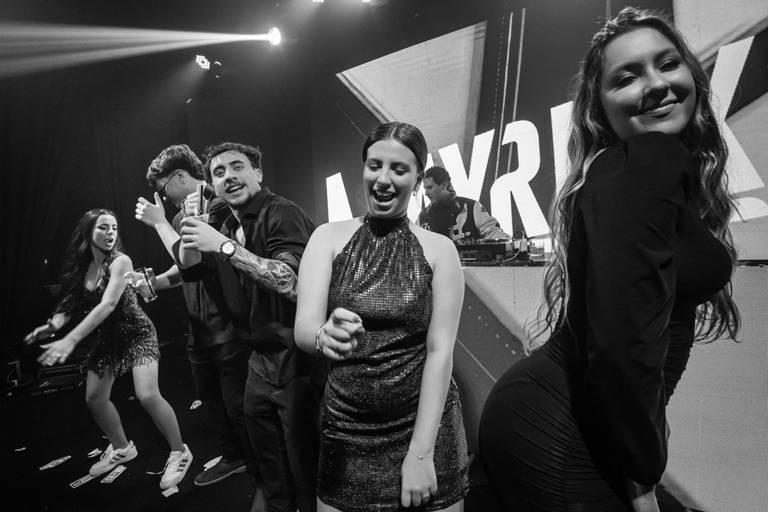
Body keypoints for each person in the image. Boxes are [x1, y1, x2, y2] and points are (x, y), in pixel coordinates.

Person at [478, 8, 740, 512]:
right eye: (627, 77)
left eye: (668, 64)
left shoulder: (634, 168)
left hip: (564, 419)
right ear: (600, 106)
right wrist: (642, 472)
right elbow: (622, 343)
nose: (656, 84)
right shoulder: (648, 158)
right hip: (561, 433)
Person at [294, 122, 470, 512]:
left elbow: (440, 351)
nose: (384, 179)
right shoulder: (327, 237)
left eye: (398, 169)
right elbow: (303, 328)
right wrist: (323, 335)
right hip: (347, 429)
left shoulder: (440, 250)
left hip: (424, 427)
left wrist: (421, 453)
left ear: (418, 179)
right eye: (375, 165)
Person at [176, 142, 322, 512]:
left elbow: (290, 281)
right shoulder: (224, 222)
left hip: (297, 357)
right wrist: (191, 225)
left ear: (258, 173)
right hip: (258, 358)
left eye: (237, 166)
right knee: (267, 457)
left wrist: (224, 247)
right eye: (219, 172)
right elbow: (190, 270)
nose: (229, 176)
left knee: (304, 458)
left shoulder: (281, 212)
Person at [24, 209, 193, 489]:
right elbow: (69, 304)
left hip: (137, 334)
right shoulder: (83, 268)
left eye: (114, 227)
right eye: (103, 227)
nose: (110, 232)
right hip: (108, 339)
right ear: (88, 231)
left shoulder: (120, 261)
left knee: (147, 394)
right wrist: (52, 326)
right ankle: (122, 447)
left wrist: (71, 339)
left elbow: (108, 304)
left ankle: (180, 451)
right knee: (94, 398)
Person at [134, 144, 255, 487]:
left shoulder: (219, 204)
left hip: (227, 324)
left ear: (177, 176)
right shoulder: (178, 217)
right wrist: (156, 281)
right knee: (213, 402)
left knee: (238, 405)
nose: (162, 196)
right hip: (199, 326)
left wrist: (159, 223)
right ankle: (234, 458)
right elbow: (183, 266)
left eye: (163, 188)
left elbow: (195, 263)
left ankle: (261, 470)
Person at [417, 165, 510, 241]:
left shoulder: (472, 207)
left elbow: (493, 233)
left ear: (444, 185)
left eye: (429, 188)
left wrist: (514, 244)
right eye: (425, 189)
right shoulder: (423, 217)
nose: (426, 193)